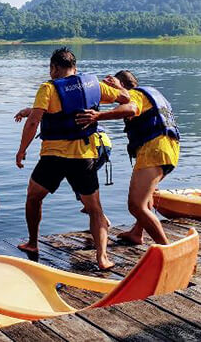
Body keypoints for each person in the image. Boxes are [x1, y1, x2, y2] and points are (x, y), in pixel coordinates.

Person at [15, 47, 129, 270]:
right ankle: (102, 258)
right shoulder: (93, 85)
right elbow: (126, 98)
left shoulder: (48, 88)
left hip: (53, 157)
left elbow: (33, 122)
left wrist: (21, 151)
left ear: (54, 68)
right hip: (84, 157)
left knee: (33, 197)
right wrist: (113, 92)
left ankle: (32, 243)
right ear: (75, 68)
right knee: (95, 209)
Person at [76, 70, 180, 246]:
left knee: (135, 205)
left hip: (154, 150)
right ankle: (136, 233)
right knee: (145, 198)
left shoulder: (134, 95)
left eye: (114, 90)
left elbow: (131, 108)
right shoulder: (149, 93)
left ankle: (167, 249)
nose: (114, 96)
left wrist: (99, 116)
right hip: (168, 149)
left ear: (121, 86)